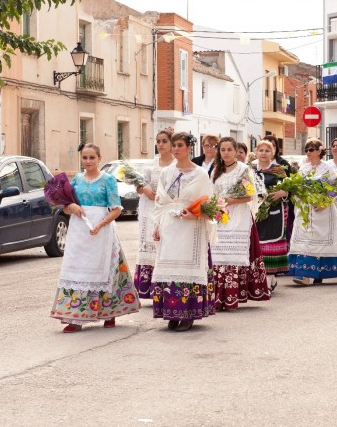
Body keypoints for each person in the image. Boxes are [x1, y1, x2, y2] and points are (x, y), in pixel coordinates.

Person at [51, 143, 140, 332]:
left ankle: (109, 313)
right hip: (79, 230)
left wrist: (101, 224)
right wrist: (71, 207)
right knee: (78, 270)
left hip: (102, 228)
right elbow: (66, 207)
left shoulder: (108, 180)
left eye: (92, 157)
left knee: (108, 270)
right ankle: (75, 317)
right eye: (85, 158)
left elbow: (116, 209)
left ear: (100, 159)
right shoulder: (76, 180)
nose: (88, 161)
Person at [151, 132, 216, 332]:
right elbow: (160, 201)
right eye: (174, 145)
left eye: (180, 145)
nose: (176, 149)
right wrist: (157, 225)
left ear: (189, 147)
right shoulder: (166, 173)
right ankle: (171, 311)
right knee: (168, 265)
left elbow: (210, 204)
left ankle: (189, 313)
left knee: (189, 268)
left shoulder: (200, 174)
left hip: (191, 227)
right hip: (170, 224)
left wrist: (195, 215)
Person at [210, 137, 270, 310]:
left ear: (236, 151)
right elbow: (212, 193)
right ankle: (218, 297)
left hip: (239, 217)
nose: (226, 153)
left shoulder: (244, 170)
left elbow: (250, 196)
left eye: (230, 149)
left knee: (234, 254)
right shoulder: (216, 171)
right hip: (220, 217)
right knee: (218, 254)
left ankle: (234, 294)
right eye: (223, 150)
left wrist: (230, 200)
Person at [288, 138, 337, 284]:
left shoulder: (327, 168)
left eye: (311, 149)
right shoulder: (303, 168)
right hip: (306, 209)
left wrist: (324, 203)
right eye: (306, 150)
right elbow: (296, 187)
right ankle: (304, 273)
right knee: (306, 240)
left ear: (319, 151)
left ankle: (317, 273)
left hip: (322, 210)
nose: (308, 153)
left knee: (319, 240)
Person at [133, 129, 174, 300]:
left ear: (172, 143)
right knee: (149, 243)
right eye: (158, 141)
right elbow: (138, 185)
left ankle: (166, 286)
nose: (161, 144)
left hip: (168, 211)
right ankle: (147, 288)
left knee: (166, 245)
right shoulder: (150, 165)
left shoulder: (176, 165)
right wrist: (144, 188)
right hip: (149, 210)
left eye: (164, 141)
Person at [253, 140, 290, 282]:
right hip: (256, 211)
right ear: (256, 152)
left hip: (275, 211)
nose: (264, 153)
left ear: (272, 153)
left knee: (272, 241)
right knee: (258, 242)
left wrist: (284, 192)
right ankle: (261, 278)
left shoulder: (279, 170)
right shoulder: (250, 169)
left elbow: (289, 188)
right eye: (261, 150)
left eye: (267, 151)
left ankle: (270, 277)